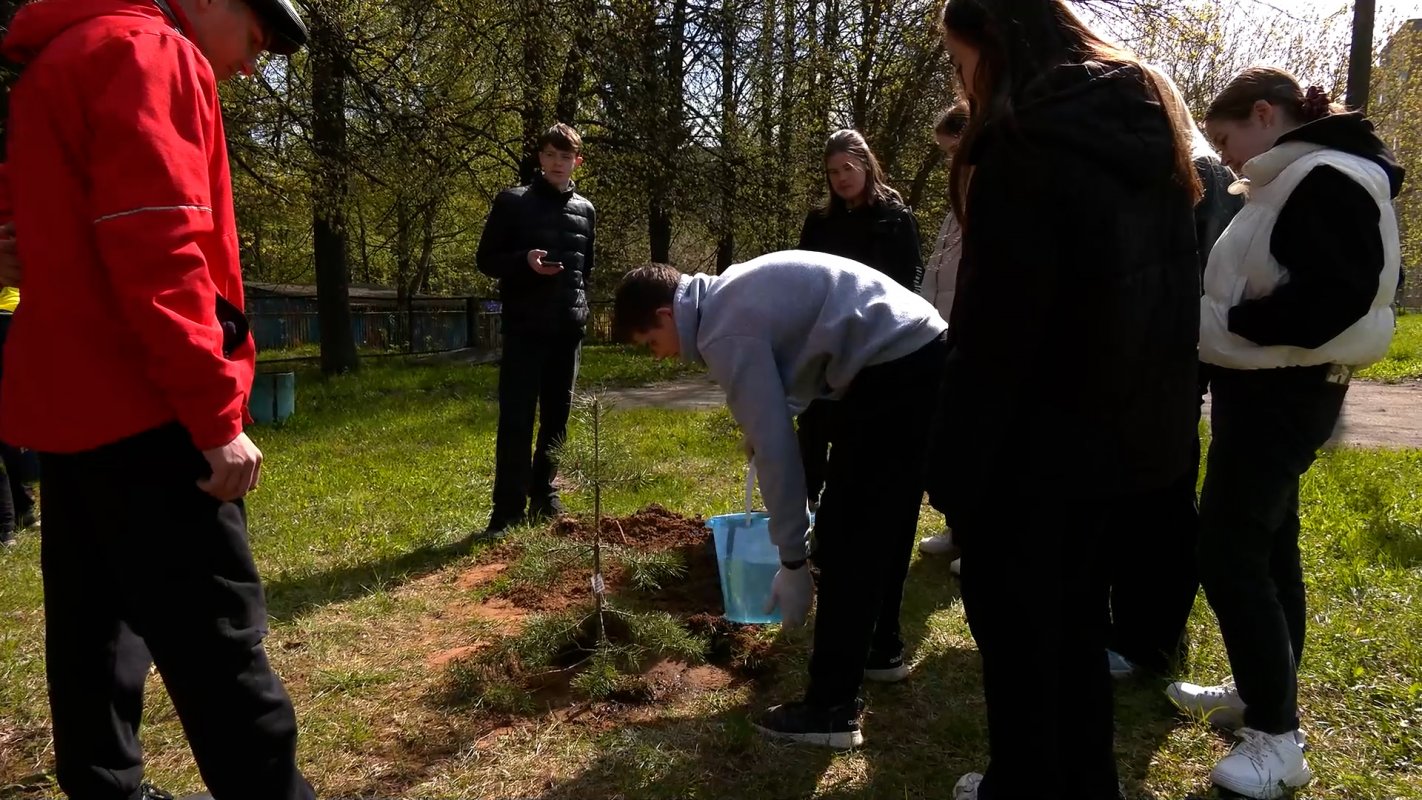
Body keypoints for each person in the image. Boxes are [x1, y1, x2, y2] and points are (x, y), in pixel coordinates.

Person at [0, 1, 316, 799]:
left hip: (69, 414)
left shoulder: (56, 61)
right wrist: (215, 419)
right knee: (223, 651)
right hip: (149, 407)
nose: (254, 66)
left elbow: (19, 232)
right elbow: (160, 244)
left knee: (94, 637)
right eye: (257, 38)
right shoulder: (152, 51)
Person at [932, 1, 1202, 797]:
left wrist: (954, 470)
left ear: (991, 44)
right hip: (1125, 438)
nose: (961, 81)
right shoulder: (1147, 122)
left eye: (957, 62)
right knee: (1077, 625)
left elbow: (997, 335)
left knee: (1017, 639)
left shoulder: (1025, 142)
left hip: (1034, 447)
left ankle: (1024, 781)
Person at [1166, 68, 1402, 799]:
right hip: (1264, 385)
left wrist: (1227, 324)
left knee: (1229, 550)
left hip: (1285, 389)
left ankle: (1277, 740)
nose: (1226, 157)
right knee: (1268, 543)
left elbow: (1333, 296)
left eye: (1227, 138)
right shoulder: (1294, 175)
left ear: (1265, 115)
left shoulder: (1326, 176)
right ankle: (1263, 694)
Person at [612, 254, 946, 748]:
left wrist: (793, 558)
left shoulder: (721, 330)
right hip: (921, 348)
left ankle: (830, 709)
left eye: (651, 344)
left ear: (665, 315)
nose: (660, 356)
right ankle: (881, 649)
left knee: (848, 533)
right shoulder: (727, 294)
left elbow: (778, 453)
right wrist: (767, 416)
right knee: (885, 513)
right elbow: (795, 356)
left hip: (894, 365)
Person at [1103, 66, 1245, 681]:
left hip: (1168, 361)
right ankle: (1132, 628)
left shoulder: (1198, 172)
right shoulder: (1151, 170)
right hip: (1139, 360)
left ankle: (1149, 639)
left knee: (1158, 501)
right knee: (1135, 497)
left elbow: (1200, 278)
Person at [475, 123, 596, 540]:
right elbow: (487, 258)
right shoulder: (512, 202)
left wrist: (580, 309)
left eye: (566, 157)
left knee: (557, 416)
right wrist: (524, 260)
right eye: (550, 155)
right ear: (539, 158)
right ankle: (506, 510)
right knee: (517, 418)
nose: (557, 163)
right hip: (525, 326)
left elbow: (586, 269)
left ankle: (545, 495)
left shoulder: (586, 210)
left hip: (568, 327)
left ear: (577, 161)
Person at [794, 129, 923, 512]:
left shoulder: (895, 218)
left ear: (866, 164)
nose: (841, 178)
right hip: (824, 335)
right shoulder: (819, 222)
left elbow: (908, 279)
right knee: (815, 420)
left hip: (874, 338)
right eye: (833, 172)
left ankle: (848, 505)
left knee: (858, 427)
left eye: (847, 168)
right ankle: (806, 501)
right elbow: (804, 275)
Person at [916, 102, 970, 566]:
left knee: (973, 442)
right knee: (951, 438)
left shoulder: (989, 195)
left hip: (975, 337)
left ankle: (978, 540)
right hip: (945, 334)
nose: (949, 162)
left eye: (953, 151)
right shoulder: (958, 202)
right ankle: (957, 530)